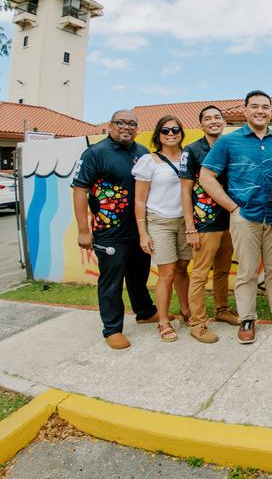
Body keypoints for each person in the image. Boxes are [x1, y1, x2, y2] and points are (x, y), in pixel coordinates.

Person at [199, 90, 272, 344]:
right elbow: (206, 177)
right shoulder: (228, 142)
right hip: (245, 217)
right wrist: (232, 208)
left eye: (265, 106)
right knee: (247, 271)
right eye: (255, 106)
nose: (260, 111)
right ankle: (247, 318)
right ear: (245, 111)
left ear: (271, 111)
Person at [71, 110, 160, 350]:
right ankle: (112, 328)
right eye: (121, 123)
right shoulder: (95, 154)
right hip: (109, 231)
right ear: (110, 125)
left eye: (132, 124)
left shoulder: (142, 153)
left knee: (139, 275)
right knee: (111, 281)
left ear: (137, 128)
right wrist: (82, 230)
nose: (126, 127)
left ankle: (145, 312)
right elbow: (80, 190)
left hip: (139, 229)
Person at [179, 105, 240, 345]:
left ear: (224, 122)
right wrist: (190, 227)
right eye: (208, 118)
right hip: (204, 222)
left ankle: (222, 309)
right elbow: (184, 191)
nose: (213, 121)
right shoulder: (192, 150)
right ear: (201, 124)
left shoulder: (230, 146)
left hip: (231, 220)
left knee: (224, 270)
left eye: (217, 117)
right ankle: (198, 322)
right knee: (200, 274)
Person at [133, 116, 192, 342]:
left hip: (184, 221)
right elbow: (139, 200)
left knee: (182, 268)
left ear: (181, 132)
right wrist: (143, 233)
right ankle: (164, 320)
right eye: (165, 130)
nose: (170, 133)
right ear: (158, 134)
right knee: (167, 273)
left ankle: (186, 311)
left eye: (175, 129)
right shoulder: (149, 161)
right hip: (160, 221)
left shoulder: (188, 158)